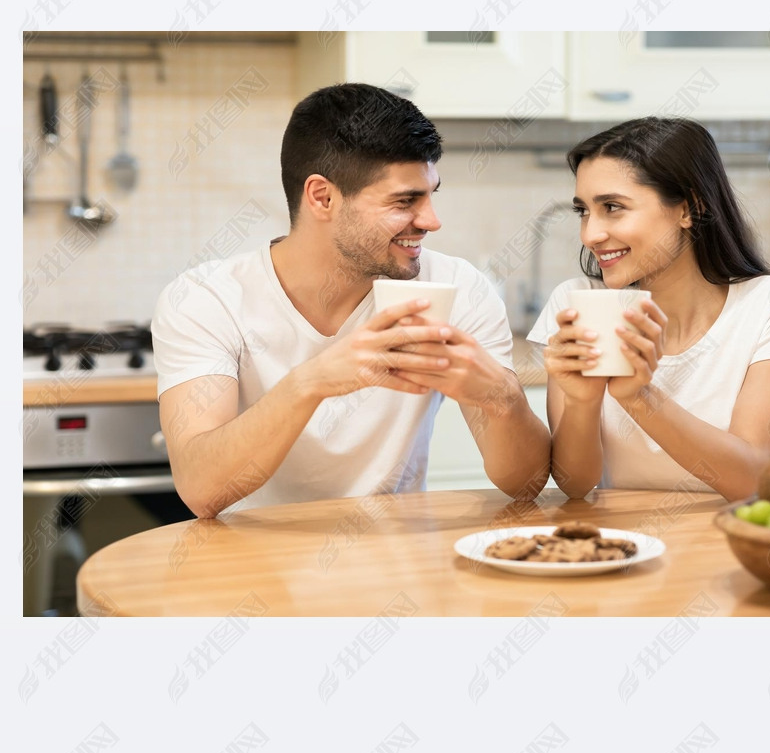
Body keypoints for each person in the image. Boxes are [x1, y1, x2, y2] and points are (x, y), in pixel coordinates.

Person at [152, 84, 550, 517]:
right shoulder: (207, 299)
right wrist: (312, 382)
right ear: (323, 197)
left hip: (396, 562)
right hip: (251, 563)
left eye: (431, 193)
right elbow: (201, 490)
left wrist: (502, 398)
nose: (432, 221)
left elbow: (525, 485)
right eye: (405, 201)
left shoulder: (457, 288)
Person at [527, 118, 770, 500]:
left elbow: (752, 478)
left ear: (689, 208)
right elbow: (575, 484)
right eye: (583, 211)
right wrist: (582, 401)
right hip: (622, 545)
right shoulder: (578, 301)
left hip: (727, 541)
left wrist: (639, 398)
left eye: (612, 207)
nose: (590, 234)